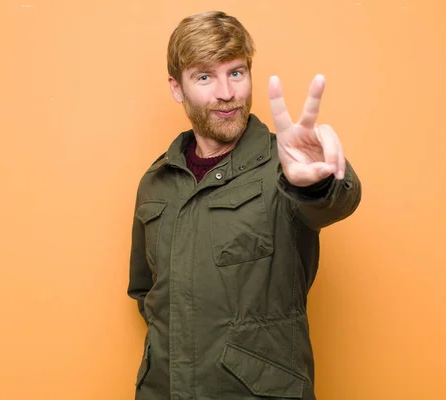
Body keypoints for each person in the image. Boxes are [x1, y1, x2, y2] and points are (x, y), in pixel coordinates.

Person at [127, 10, 362, 400]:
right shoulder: (155, 183)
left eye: (236, 72)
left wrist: (317, 182)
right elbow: (147, 293)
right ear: (177, 88)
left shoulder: (285, 167)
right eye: (205, 77)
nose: (226, 92)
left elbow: (337, 202)